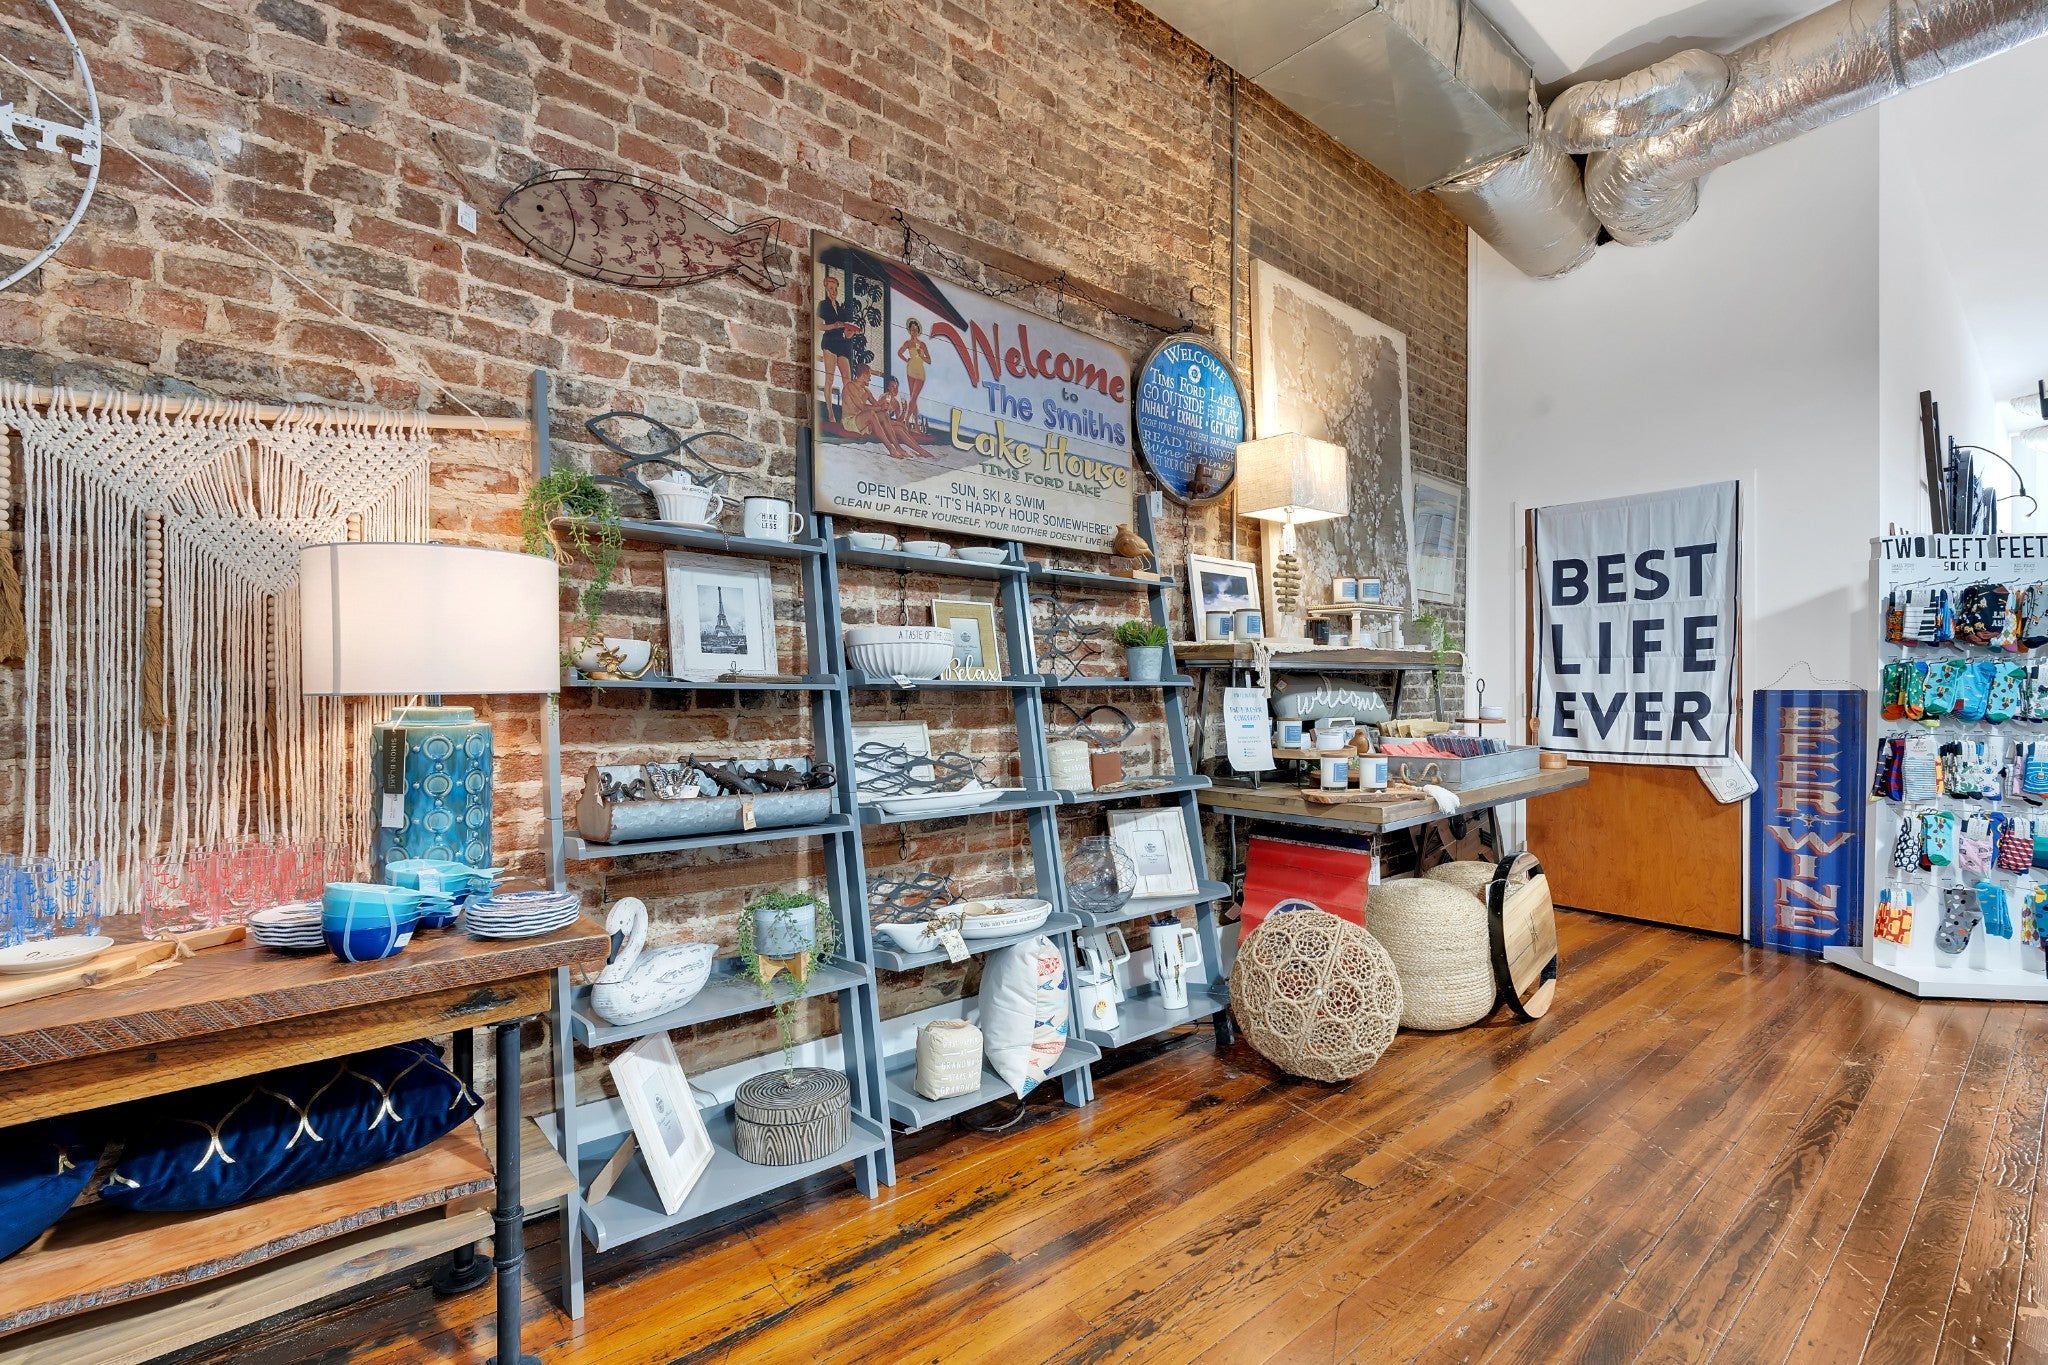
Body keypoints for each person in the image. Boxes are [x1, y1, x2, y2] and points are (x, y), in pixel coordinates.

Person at [816, 272, 863, 426]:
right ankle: (831, 414)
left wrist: (853, 332)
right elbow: (819, 326)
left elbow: (847, 334)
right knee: (829, 379)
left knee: (847, 381)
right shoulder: (823, 305)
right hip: (829, 343)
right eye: (831, 288)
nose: (833, 292)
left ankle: (846, 415)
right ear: (826, 289)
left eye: (835, 289)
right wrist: (834, 325)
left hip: (842, 344)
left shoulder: (841, 308)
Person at [895, 317, 930, 430]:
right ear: (910, 331)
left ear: (918, 331)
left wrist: (921, 356)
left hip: (920, 372)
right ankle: (916, 425)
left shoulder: (922, 345)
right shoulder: (908, 343)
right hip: (910, 370)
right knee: (912, 398)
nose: (913, 332)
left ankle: (906, 420)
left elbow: (929, 360)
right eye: (912, 329)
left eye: (915, 329)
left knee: (914, 397)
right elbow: (899, 353)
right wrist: (907, 360)